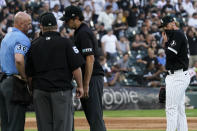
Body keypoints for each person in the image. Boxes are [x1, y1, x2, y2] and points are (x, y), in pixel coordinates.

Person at [25, 12, 84, 131]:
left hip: (40, 91)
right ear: (56, 26)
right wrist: (80, 86)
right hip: (61, 90)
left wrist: (31, 89)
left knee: (44, 127)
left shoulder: (33, 45)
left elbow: (29, 74)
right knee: (63, 126)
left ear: (41, 26)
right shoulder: (66, 42)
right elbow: (76, 67)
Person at [60, 5, 106, 131]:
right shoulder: (81, 31)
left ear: (75, 18)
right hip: (91, 77)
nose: (66, 23)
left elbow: (90, 58)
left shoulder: (83, 33)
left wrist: (85, 84)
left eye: (67, 20)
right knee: (93, 117)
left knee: (95, 118)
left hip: (92, 77)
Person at [0, 12, 32, 131]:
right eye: (28, 24)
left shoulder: (6, 37)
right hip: (14, 83)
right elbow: (19, 59)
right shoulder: (22, 39)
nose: (30, 27)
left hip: (3, 81)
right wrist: (23, 76)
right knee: (16, 123)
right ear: (21, 24)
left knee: (6, 123)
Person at [160, 15, 191, 131]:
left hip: (177, 76)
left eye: (164, 26)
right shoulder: (176, 35)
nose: (163, 29)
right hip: (178, 75)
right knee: (179, 109)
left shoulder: (177, 34)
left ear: (171, 23)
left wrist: (166, 43)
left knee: (171, 109)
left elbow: (171, 54)